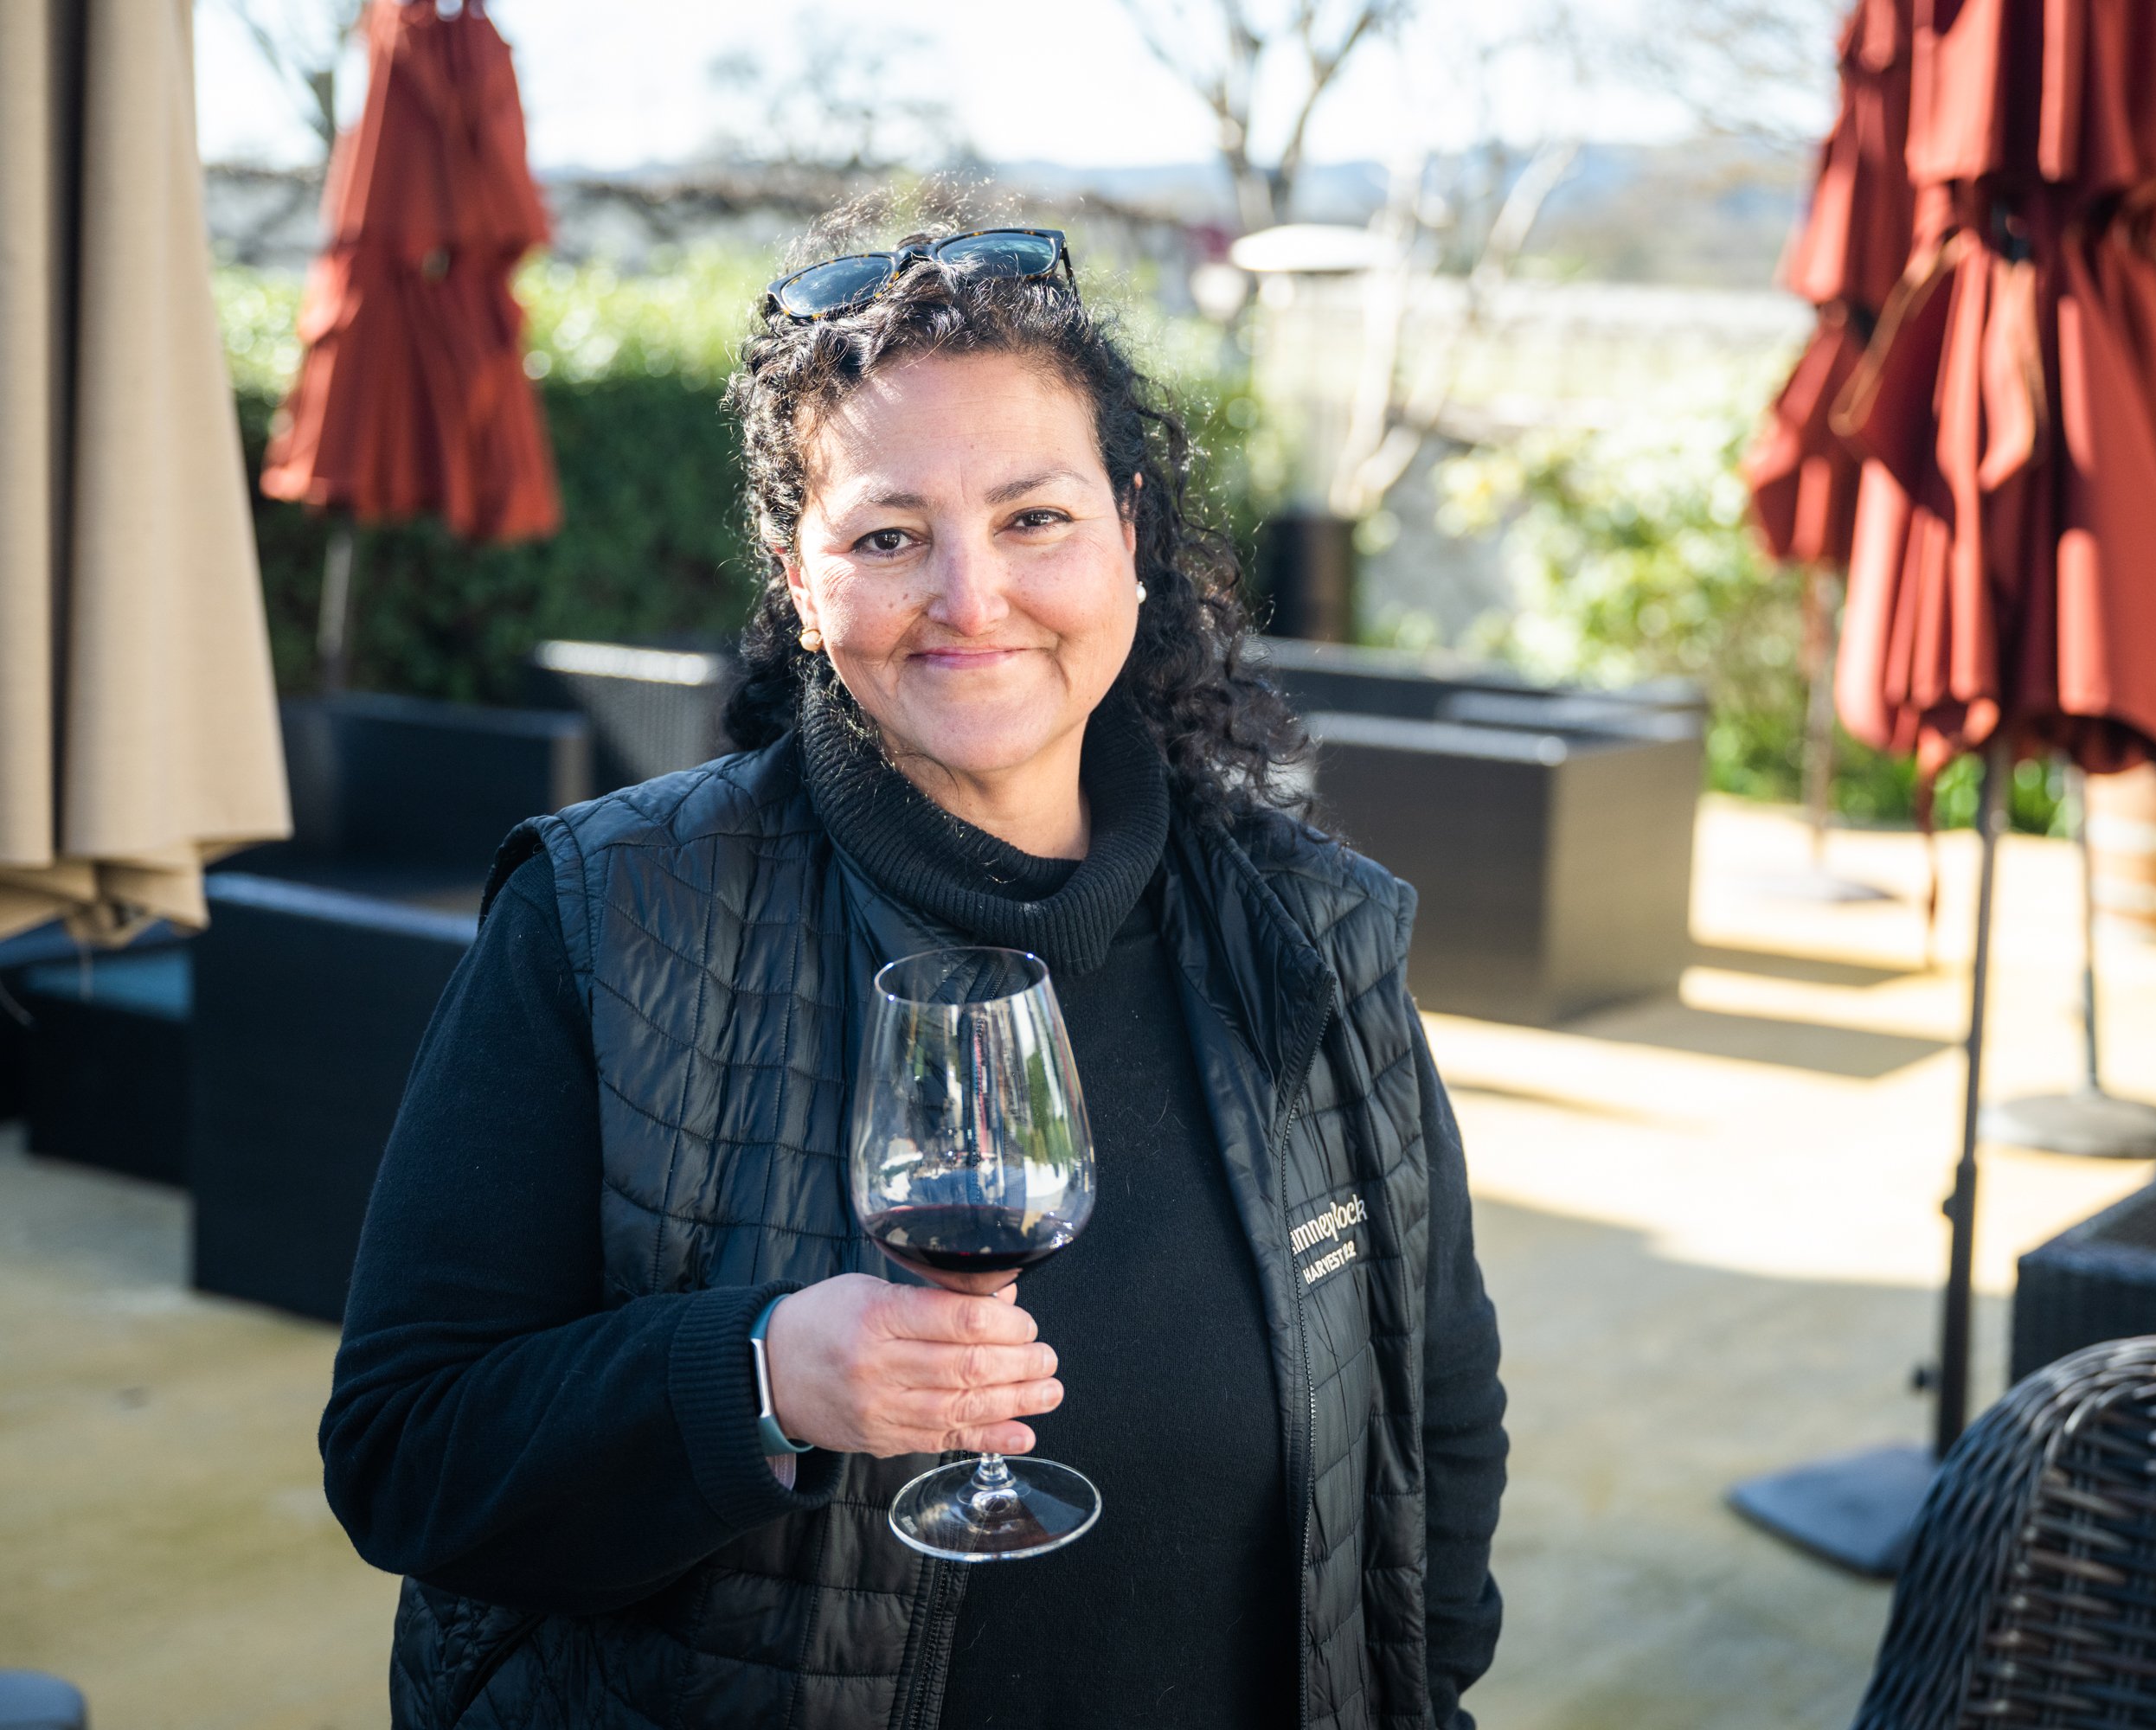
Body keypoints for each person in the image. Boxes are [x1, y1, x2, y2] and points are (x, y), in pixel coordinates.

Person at [319, 223, 1509, 1730]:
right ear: (799, 577)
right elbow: (404, 1456)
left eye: (1033, 518)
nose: (970, 595)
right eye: (889, 535)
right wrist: (750, 1378)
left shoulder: (1312, 934)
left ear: (1129, 532)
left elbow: (1435, 1411)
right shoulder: (606, 914)